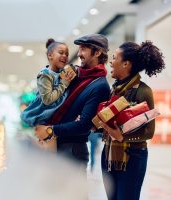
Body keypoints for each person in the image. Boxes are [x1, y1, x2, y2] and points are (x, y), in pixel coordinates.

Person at [34, 34, 111, 183]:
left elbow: (83, 125)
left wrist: (51, 129)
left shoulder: (100, 85)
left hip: (72, 151)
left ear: (97, 53)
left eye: (83, 49)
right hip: (55, 145)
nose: (79, 54)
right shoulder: (76, 76)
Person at [99, 41, 165, 200]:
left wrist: (122, 136)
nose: (110, 61)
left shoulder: (143, 91)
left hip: (132, 157)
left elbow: (149, 131)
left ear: (126, 64)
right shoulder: (114, 89)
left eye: (114, 58)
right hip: (109, 155)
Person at [21, 38, 75, 127]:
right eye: (61, 53)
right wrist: (64, 83)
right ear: (50, 55)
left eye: (67, 54)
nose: (65, 56)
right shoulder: (45, 75)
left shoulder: (62, 73)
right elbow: (47, 99)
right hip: (44, 118)